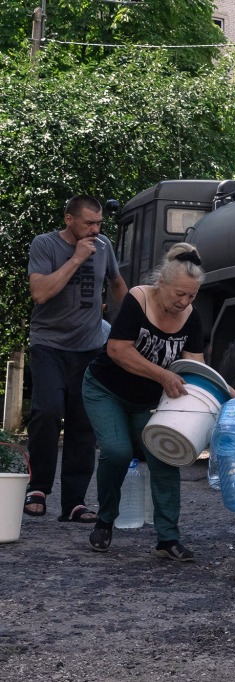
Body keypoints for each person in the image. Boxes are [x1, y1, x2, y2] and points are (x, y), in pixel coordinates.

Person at [83, 243, 206, 560]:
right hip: (106, 388)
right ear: (161, 283)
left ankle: (168, 538)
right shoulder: (138, 298)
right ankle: (105, 521)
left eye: (191, 296)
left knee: (165, 454)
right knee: (117, 450)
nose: (184, 301)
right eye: (179, 293)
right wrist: (163, 376)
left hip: (147, 401)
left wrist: (225, 398)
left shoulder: (192, 318)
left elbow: (195, 369)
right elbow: (117, 350)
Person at [24, 195, 128, 523]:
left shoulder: (104, 246)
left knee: (84, 424)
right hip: (49, 345)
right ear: (69, 219)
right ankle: (38, 488)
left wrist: (130, 324)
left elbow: (117, 283)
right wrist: (76, 259)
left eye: (99, 224)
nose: (95, 230)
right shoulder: (45, 245)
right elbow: (40, 293)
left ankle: (74, 503)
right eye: (89, 223)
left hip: (89, 347)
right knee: (47, 411)